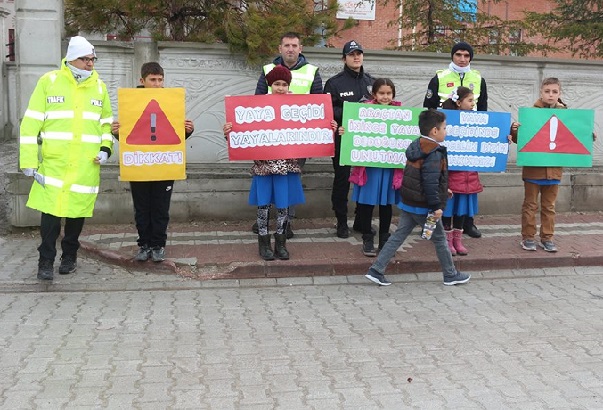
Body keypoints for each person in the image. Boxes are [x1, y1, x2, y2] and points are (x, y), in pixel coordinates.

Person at [19, 36, 114, 280]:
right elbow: (30, 124)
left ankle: (69, 257)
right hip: (54, 164)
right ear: (72, 59)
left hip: (85, 165)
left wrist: (106, 149)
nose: (91, 64)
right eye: (86, 59)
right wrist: (28, 162)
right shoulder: (49, 82)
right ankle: (45, 261)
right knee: (50, 216)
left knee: (76, 215)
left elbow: (106, 123)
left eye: (93, 59)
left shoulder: (99, 87)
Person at [364, 109, 471, 287]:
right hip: (425, 206)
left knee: (398, 236)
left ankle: (376, 269)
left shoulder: (417, 146)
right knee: (439, 239)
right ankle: (450, 275)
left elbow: (425, 179)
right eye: (444, 127)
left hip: (409, 202)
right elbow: (429, 182)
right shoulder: (434, 153)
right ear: (434, 131)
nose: (446, 131)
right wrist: (437, 205)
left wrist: (444, 190)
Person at [111, 62, 194, 262]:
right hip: (139, 164)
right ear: (142, 81)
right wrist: (116, 133)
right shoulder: (131, 102)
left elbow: (173, 135)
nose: (157, 84)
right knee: (141, 207)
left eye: (160, 80)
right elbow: (131, 136)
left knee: (160, 208)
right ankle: (144, 244)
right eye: (152, 80)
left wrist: (187, 130)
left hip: (164, 164)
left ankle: (158, 245)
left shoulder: (170, 101)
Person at [224, 66, 305, 260]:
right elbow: (243, 134)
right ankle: (263, 241)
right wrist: (229, 132)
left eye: (284, 84)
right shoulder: (257, 107)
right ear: (270, 85)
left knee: (284, 207)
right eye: (277, 84)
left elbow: (311, 129)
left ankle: (281, 241)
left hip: (287, 167)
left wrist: (328, 126)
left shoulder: (299, 107)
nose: (280, 88)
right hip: (264, 167)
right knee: (263, 206)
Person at [509, 77, 596, 253]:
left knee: (549, 207)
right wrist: (515, 130)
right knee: (530, 205)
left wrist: (587, 136)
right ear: (541, 92)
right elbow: (522, 142)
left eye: (554, 92)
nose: (550, 95)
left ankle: (547, 238)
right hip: (533, 169)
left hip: (554, 170)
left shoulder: (567, 115)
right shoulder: (531, 113)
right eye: (547, 91)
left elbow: (573, 139)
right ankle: (528, 237)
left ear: (559, 94)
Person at [253, 32, 323, 238]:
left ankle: (287, 223)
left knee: (290, 180)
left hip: (298, 139)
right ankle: (264, 221)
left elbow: (319, 106)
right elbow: (256, 102)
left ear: (300, 48)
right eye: (287, 45)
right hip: (269, 138)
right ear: (280, 48)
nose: (290, 49)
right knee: (267, 179)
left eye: (294, 45)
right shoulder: (268, 70)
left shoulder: (312, 71)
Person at [423, 41, 488, 238]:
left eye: (466, 55)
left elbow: (484, 110)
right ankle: (432, 226)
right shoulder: (440, 77)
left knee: (466, 186)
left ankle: (466, 224)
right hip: (443, 140)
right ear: (452, 56)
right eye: (458, 54)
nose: (462, 59)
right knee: (439, 184)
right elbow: (428, 107)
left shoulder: (478, 78)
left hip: (468, 141)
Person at [345, 78, 403, 256]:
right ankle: (367, 237)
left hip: (389, 167)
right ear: (374, 94)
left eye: (388, 93)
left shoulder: (401, 113)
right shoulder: (363, 112)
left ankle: (385, 238)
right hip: (369, 167)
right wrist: (344, 130)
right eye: (381, 93)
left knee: (386, 204)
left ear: (393, 94)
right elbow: (351, 130)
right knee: (367, 204)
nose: (385, 97)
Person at [324, 40, 376, 238]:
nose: (356, 57)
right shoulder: (334, 83)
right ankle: (341, 221)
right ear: (344, 58)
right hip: (343, 139)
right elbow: (327, 110)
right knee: (342, 181)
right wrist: (350, 110)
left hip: (366, 141)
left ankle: (362, 220)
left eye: (359, 53)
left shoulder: (371, 82)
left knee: (365, 180)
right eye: (352, 54)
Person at [440, 86, 483, 256]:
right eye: (470, 100)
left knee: (461, 211)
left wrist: (504, 139)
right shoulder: (445, 122)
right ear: (458, 103)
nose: (473, 104)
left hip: (469, 175)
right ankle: (447, 240)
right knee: (448, 209)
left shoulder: (478, 122)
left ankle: (458, 240)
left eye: (474, 100)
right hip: (453, 176)